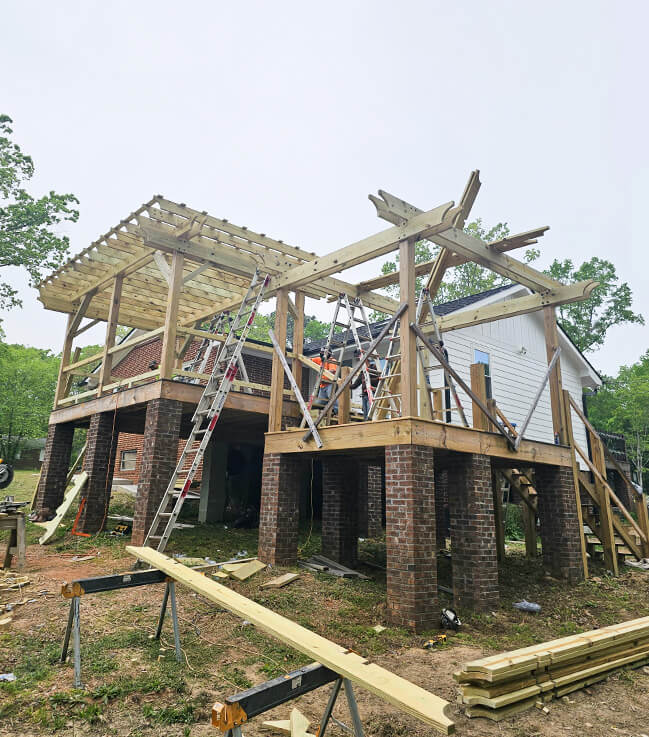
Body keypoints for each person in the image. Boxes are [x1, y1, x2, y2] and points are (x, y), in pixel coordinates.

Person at [351, 350, 381, 420]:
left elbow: (378, 380)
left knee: (370, 413)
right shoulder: (362, 373)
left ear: (367, 360)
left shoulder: (373, 367)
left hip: (371, 393)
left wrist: (368, 380)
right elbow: (355, 385)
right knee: (365, 415)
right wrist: (344, 385)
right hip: (364, 395)